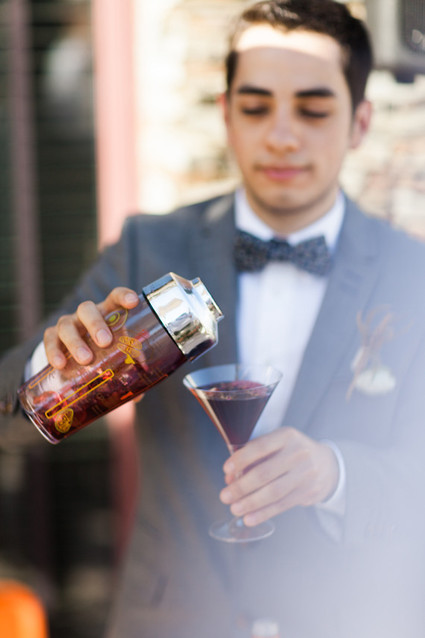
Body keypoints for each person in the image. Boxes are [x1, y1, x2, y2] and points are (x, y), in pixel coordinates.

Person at [2, 1, 425, 636]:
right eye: (255, 108)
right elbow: (7, 417)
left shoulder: (412, 274)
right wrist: (53, 364)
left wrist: (335, 473)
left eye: (312, 110)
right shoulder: (149, 249)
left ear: (360, 122)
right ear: (226, 114)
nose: (282, 136)